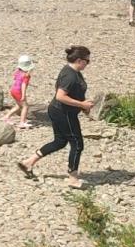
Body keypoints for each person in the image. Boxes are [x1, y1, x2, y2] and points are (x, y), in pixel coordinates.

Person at [17, 46, 95, 188]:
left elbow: (73, 93)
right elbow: (60, 96)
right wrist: (82, 104)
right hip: (63, 113)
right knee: (77, 144)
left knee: (60, 141)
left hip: (59, 111)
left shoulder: (72, 71)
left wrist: (83, 106)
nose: (88, 64)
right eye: (87, 61)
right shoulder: (70, 75)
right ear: (79, 60)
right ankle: (73, 178)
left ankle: (28, 162)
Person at [1, 55, 35, 129]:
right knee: (25, 106)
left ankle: (6, 117)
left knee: (18, 106)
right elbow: (23, 85)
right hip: (19, 91)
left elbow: (15, 80)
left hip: (13, 90)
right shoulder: (26, 75)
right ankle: (22, 122)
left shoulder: (18, 72)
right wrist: (23, 95)